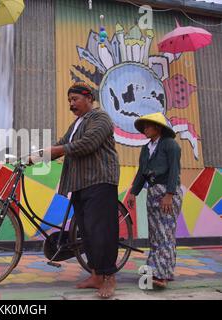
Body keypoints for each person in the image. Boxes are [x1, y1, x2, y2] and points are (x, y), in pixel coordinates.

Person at [30, 82, 120, 298]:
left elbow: (88, 144)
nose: (71, 104)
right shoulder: (76, 125)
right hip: (80, 183)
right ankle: (96, 275)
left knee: (101, 232)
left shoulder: (101, 118)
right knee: (87, 233)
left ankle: (109, 278)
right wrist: (33, 157)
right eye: (69, 100)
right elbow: (61, 145)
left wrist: (56, 149)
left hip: (100, 181)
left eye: (75, 99)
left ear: (89, 98)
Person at [127, 112, 182, 289]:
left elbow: (174, 170)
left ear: (157, 128)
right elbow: (142, 172)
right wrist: (133, 193)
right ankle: (159, 270)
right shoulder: (146, 148)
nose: (144, 129)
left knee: (165, 232)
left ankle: (162, 275)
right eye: (143, 126)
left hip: (167, 191)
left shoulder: (170, 145)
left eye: (148, 126)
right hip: (152, 192)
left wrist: (169, 194)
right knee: (155, 234)